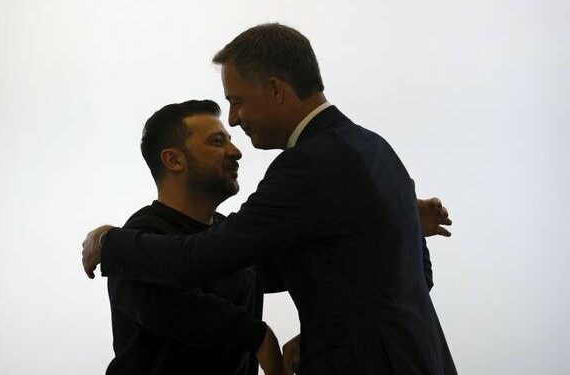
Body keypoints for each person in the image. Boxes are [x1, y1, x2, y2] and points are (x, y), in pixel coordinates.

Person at [83, 23, 456, 374]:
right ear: (173, 160)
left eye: (238, 101)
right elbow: (413, 277)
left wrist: (108, 242)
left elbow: (204, 259)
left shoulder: (307, 165)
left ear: (276, 90)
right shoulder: (376, 148)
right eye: (217, 140)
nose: (234, 124)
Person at [104, 99, 286, 375]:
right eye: (217, 142)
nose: (235, 152)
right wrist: (257, 336)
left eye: (230, 141)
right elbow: (181, 314)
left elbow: (299, 271)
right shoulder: (137, 241)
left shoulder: (232, 235)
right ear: (174, 160)